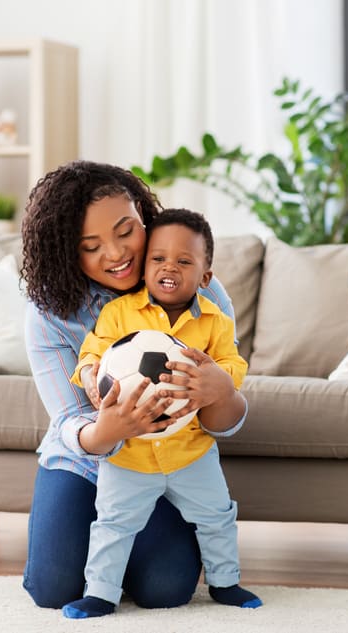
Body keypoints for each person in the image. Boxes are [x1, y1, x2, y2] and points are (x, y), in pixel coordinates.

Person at [20, 161, 249, 612]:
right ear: (68, 253)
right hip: (85, 459)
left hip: (162, 460)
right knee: (51, 589)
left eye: (126, 231)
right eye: (91, 246)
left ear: (145, 217)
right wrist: (110, 428)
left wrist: (217, 390)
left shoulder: (196, 287)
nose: (116, 254)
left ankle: (128, 550)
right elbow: (69, 420)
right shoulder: (47, 313)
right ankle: (94, 548)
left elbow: (227, 419)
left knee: (165, 589)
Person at [62, 208, 261, 619]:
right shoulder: (119, 315)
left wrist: (217, 380)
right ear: (145, 266)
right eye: (158, 258)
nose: (169, 266)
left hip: (192, 451)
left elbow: (233, 365)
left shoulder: (215, 322)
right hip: (129, 454)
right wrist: (88, 375)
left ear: (205, 277)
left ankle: (226, 582)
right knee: (113, 523)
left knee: (217, 517)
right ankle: (100, 592)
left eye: (184, 261)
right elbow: (92, 352)